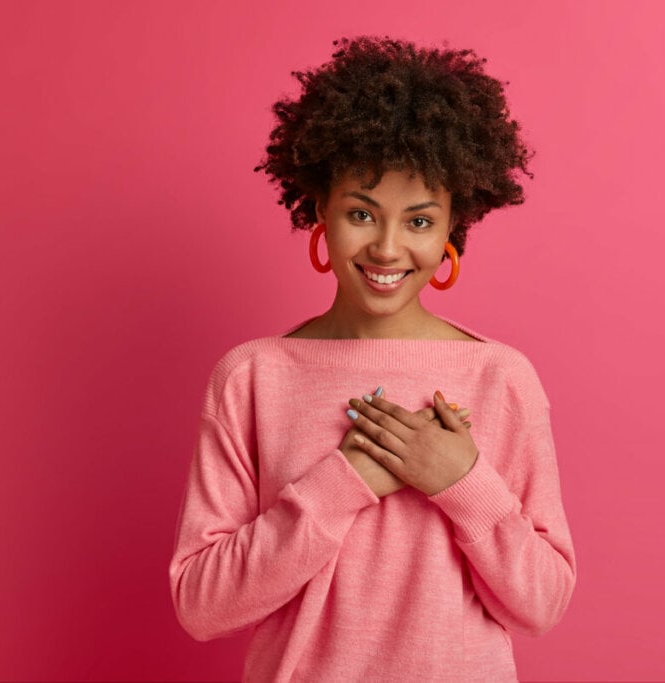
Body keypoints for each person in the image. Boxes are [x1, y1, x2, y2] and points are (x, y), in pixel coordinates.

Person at [169, 36, 576, 681]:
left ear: (451, 230)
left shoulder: (501, 378)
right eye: (362, 212)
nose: (387, 248)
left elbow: (542, 603)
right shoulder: (252, 377)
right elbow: (201, 605)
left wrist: (461, 482)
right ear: (321, 216)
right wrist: (344, 483)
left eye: (419, 221)